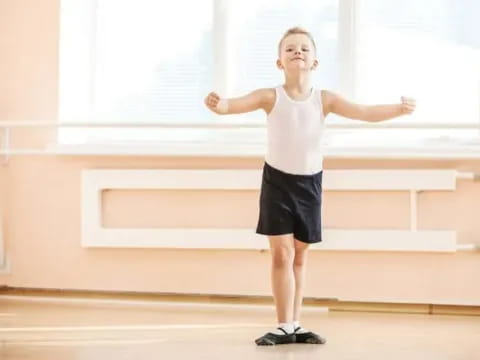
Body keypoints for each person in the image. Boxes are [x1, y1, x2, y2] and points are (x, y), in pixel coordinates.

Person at [204, 27, 416, 346]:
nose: (298, 52)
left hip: (310, 184)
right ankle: (282, 324)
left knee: (300, 256)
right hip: (277, 182)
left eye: (304, 48)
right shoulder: (270, 96)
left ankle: (295, 324)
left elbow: (365, 112)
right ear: (279, 62)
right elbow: (233, 105)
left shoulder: (324, 99)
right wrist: (219, 104)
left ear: (315, 61)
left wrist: (399, 109)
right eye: (290, 49)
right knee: (282, 253)